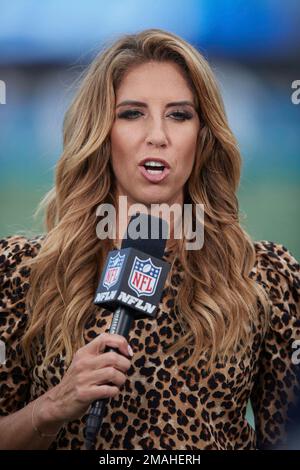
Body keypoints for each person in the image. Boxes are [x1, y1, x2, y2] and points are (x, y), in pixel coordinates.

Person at [0, 28, 299, 451]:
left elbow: (286, 439)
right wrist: (51, 406)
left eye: (179, 115)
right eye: (132, 114)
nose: (157, 135)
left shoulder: (264, 277)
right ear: (101, 132)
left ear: (203, 135)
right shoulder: (24, 273)